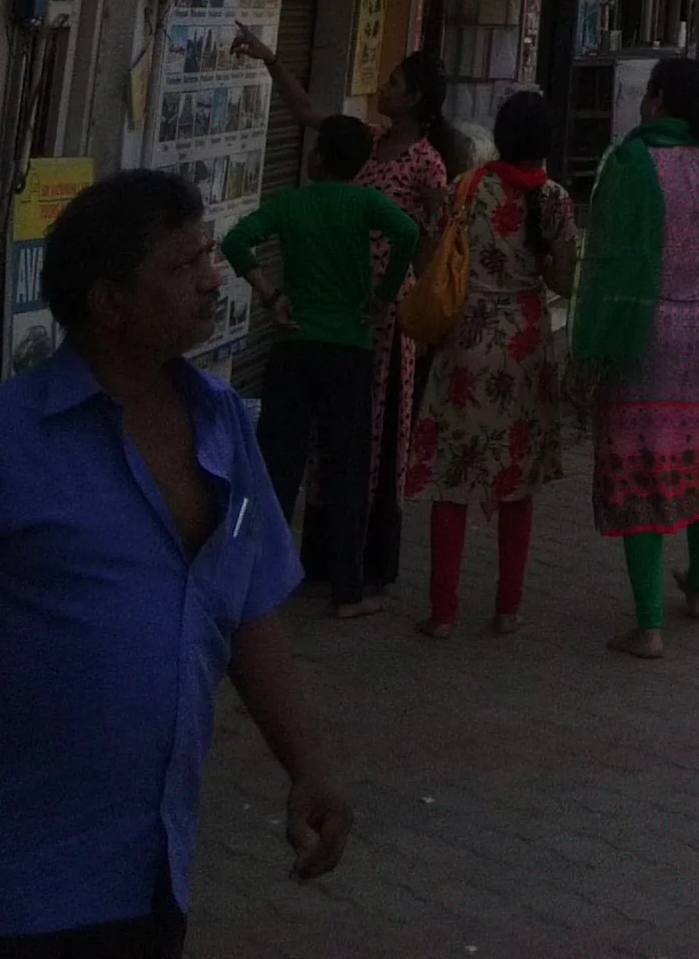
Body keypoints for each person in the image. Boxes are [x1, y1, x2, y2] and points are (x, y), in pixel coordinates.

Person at [0, 171, 350, 954]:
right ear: (108, 303)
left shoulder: (225, 426)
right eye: (181, 265)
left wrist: (308, 765)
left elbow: (247, 613)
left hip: (144, 878)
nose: (211, 278)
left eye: (208, 254)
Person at [239, 32, 461, 597]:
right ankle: (325, 560)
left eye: (393, 82)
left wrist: (406, 299)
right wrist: (271, 60)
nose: (382, 88)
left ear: (414, 99)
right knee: (332, 439)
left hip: (383, 319)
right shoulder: (365, 140)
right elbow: (310, 112)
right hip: (341, 308)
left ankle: (363, 557)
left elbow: (433, 235)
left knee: (372, 435)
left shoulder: (426, 164)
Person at [571, 56, 699, 660]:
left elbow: (602, 256)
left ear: (661, 101)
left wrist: (586, 343)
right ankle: (697, 589)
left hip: (642, 334)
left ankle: (648, 625)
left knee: (637, 464)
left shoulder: (629, 166)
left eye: (650, 94)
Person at [220, 116, 423, 617]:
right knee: (345, 468)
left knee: (277, 467)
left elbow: (235, 242)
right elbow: (408, 233)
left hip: (293, 347)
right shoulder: (365, 203)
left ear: (318, 158)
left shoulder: (291, 204)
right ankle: (348, 591)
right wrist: (381, 298)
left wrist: (270, 295)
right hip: (349, 350)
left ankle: (256, 584)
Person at [406, 88, 578, 640]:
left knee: (451, 481)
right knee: (516, 483)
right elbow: (564, 280)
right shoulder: (553, 199)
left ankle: (443, 612)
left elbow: (435, 252)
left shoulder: (467, 186)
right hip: (524, 345)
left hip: (463, 341)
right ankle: (507, 608)